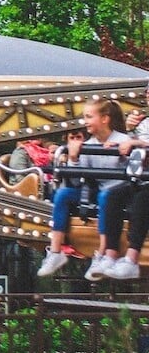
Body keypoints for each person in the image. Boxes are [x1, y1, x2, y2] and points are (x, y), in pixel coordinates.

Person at [37, 101, 130, 279]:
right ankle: (55, 251)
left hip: (120, 193)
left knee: (106, 196)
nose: (85, 121)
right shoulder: (88, 145)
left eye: (89, 117)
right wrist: (73, 158)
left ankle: (102, 253)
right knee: (62, 194)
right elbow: (77, 181)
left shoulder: (123, 141)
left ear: (104, 119)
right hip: (97, 190)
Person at [95, 84, 149, 280]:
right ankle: (110, 254)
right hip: (142, 177)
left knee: (142, 199)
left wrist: (135, 142)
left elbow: (139, 144)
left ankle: (131, 258)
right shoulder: (144, 123)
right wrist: (124, 136)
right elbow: (133, 144)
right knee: (113, 195)